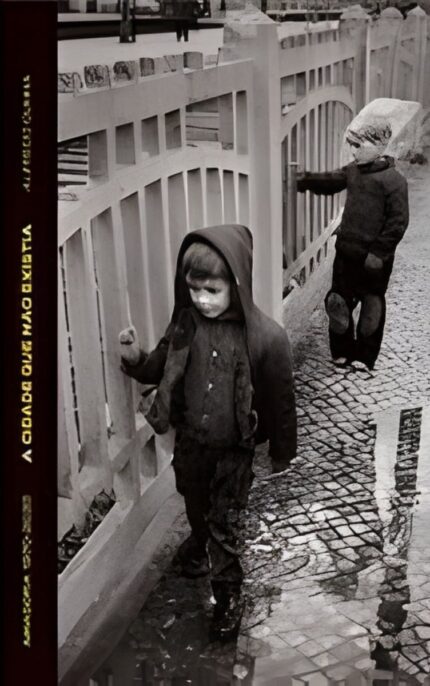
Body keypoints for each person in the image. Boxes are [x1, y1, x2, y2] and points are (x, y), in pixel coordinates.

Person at [119, 224, 297, 641]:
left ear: (237, 284)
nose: (201, 299)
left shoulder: (265, 337)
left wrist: (282, 452)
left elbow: (281, 400)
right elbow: (161, 364)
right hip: (193, 443)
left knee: (224, 522)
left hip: (234, 450)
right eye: (194, 289)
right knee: (194, 501)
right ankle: (199, 544)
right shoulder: (186, 325)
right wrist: (135, 358)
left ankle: (229, 595)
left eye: (212, 290)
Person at [296, 120, 409, 371]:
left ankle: (365, 356)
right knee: (337, 302)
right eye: (351, 145)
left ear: (378, 146)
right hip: (346, 253)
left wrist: (379, 253)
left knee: (371, 306)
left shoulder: (394, 181)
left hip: (373, 260)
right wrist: (301, 179)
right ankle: (342, 351)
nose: (353, 151)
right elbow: (330, 181)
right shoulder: (353, 171)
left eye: (358, 145)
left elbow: (398, 222)